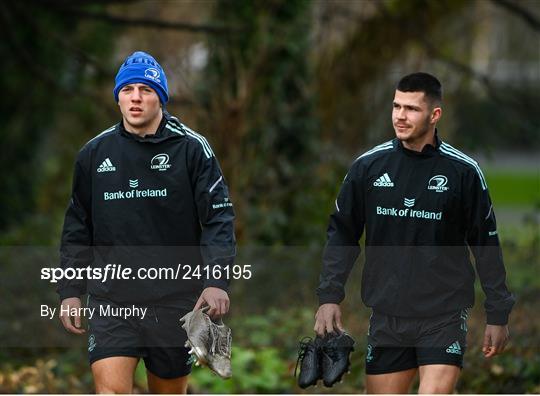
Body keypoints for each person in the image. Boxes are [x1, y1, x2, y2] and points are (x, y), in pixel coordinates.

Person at [314, 72, 514, 393]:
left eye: (411, 109)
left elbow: (486, 244)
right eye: (396, 106)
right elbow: (342, 235)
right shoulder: (368, 167)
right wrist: (329, 297)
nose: (400, 116)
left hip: (443, 316)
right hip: (387, 316)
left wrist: (498, 314)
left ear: (435, 115)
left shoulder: (463, 172)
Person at [57, 51, 235, 393]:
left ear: (160, 98)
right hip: (112, 299)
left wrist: (217, 282)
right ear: (118, 97)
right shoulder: (94, 154)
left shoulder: (192, 148)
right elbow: (77, 227)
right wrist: (70, 291)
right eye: (128, 90)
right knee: (110, 390)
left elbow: (219, 218)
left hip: (175, 299)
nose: (136, 97)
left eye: (145, 90)